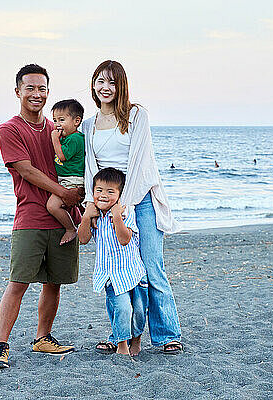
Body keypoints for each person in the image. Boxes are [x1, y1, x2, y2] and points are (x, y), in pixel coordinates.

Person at [81, 60, 183, 354]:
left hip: (141, 201)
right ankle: (119, 336)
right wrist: (94, 203)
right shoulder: (89, 125)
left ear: (121, 86)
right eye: (100, 81)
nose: (105, 88)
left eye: (112, 82)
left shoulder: (137, 116)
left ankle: (166, 335)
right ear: (93, 85)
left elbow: (141, 164)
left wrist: (124, 205)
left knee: (151, 269)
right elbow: (91, 169)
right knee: (115, 271)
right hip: (107, 204)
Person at [0, 64, 83, 369]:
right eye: (30, 88)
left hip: (64, 215)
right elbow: (26, 170)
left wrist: (83, 199)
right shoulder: (10, 129)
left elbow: (81, 158)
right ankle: (0, 346)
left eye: (42, 89)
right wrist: (64, 193)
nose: (36, 94)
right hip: (30, 215)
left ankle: (43, 338)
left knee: (53, 283)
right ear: (18, 92)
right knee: (18, 282)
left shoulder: (58, 128)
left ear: (48, 92)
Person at [78, 168, 148, 356]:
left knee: (139, 311)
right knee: (121, 309)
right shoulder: (93, 216)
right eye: (99, 190)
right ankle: (122, 345)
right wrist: (85, 216)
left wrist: (116, 217)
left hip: (134, 272)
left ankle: (136, 340)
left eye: (110, 191)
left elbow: (124, 239)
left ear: (119, 194)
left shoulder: (127, 212)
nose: (103, 195)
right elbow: (83, 239)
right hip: (111, 275)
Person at [47, 99, 85, 245]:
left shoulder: (75, 138)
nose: (57, 124)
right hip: (66, 179)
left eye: (62, 120)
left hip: (72, 180)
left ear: (76, 121)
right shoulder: (68, 138)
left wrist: (55, 140)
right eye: (55, 120)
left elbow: (62, 156)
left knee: (52, 206)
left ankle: (70, 229)